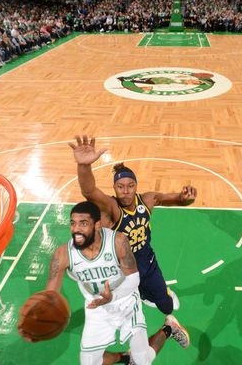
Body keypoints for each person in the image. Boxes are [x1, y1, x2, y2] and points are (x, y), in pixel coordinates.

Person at [42, 201, 189, 365]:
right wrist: (44, 313)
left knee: (143, 361)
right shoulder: (62, 255)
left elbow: (134, 279)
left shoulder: (118, 241)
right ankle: (125, 357)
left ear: (97, 225)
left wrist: (112, 296)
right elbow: (50, 295)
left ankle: (169, 329)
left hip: (126, 303)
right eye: (73, 223)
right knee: (89, 362)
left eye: (83, 224)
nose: (76, 229)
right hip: (96, 309)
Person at [69, 136, 197, 317]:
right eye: (120, 186)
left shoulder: (147, 200)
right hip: (123, 269)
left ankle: (152, 292)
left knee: (166, 307)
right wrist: (84, 166)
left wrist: (186, 199)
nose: (126, 190)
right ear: (114, 188)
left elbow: (177, 200)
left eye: (130, 185)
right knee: (120, 314)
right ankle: (140, 292)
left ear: (136, 185)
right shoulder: (111, 208)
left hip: (147, 261)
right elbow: (89, 191)